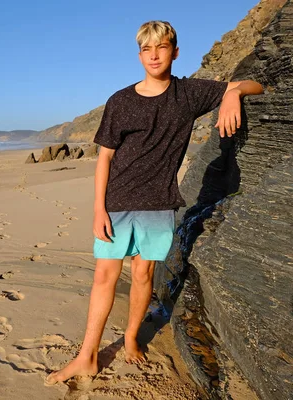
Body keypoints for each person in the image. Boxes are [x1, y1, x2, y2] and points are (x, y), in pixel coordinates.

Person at [46, 20, 263, 385]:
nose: (154, 55)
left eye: (161, 47)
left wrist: (232, 93)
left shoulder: (189, 94)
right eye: (147, 49)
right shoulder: (120, 101)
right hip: (117, 202)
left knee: (144, 274)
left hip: (160, 202)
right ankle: (87, 356)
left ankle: (130, 338)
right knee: (104, 276)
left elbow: (257, 85)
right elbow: (104, 159)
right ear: (139, 55)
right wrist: (98, 208)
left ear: (175, 52)